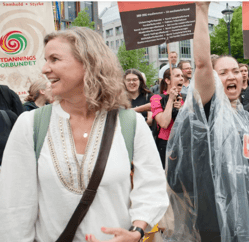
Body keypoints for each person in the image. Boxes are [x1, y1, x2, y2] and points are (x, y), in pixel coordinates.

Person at [0, 27, 169, 242]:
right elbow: (14, 208)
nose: (44, 69)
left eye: (54, 59)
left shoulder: (130, 123)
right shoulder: (30, 124)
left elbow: (152, 187)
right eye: (46, 60)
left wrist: (137, 231)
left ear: (89, 62)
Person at [163, 2, 249, 241]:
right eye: (223, 72)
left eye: (235, 70)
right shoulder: (208, 109)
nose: (232, 76)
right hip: (212, 213)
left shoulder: (244, 115)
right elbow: (203, 64)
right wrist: (201, 10)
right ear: (213, 80)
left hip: (244, 213)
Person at [150, 67, 184, 168]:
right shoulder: (156, 99)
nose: (182, 78)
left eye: (182, 76)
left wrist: (183, 109)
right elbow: (164, 123)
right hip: (166, 144)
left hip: (183, 143)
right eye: (177, 76)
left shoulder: (186, 99)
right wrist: (170, 100)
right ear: (167, 80)